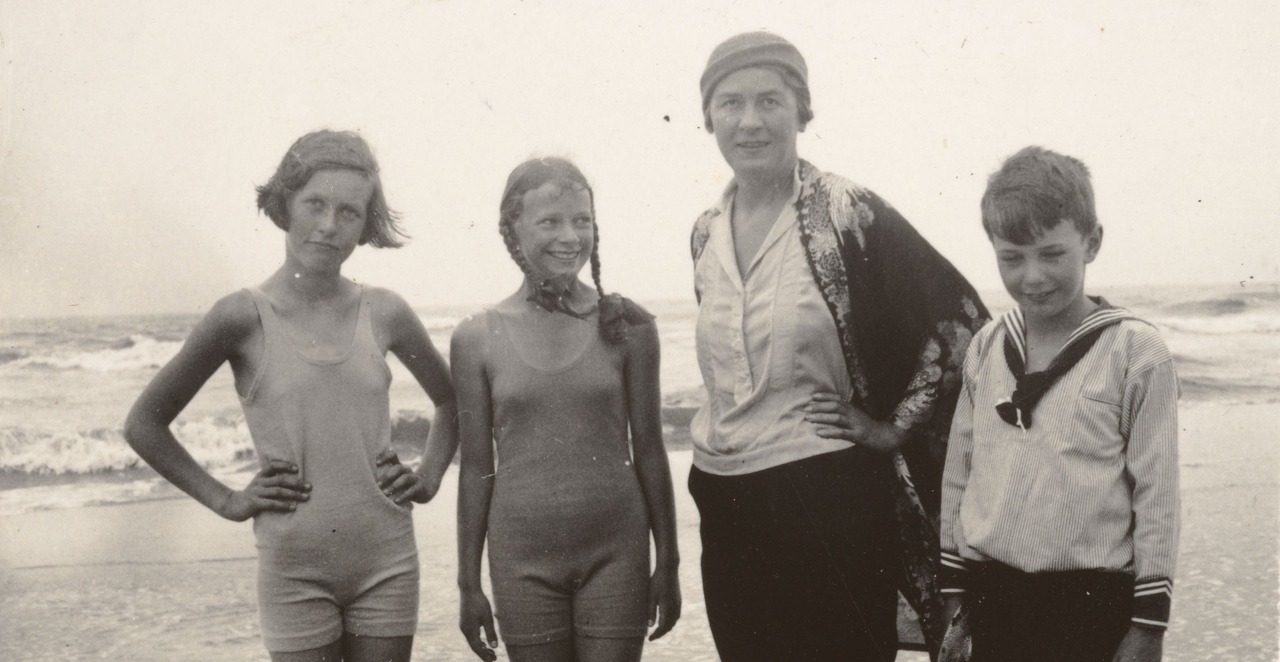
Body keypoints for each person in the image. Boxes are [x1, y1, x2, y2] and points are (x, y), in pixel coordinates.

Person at [687, 31, 990, 661]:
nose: (749, 121)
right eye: (730, 103)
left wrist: (892, 427)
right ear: (707, 115)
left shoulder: (847, 210)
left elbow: (960, 321)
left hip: (826, 491)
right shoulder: (704, 232)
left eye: (770, 101)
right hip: (725, 495)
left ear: (802, 111)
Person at [124, 130, 459, 662]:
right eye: (315, 204)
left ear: (365, 225)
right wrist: (227, 500)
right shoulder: (240, 315)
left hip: (387, 559)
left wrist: (431, 476)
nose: (329, 226)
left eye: (349, 212)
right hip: (292, 568)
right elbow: (144, 423)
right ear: (285, 204)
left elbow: (452, 400)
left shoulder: (386, 311)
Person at [938, 146, 1181, 662]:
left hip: (1092, 603)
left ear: (1092, 242)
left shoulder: (1136, 351)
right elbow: (959, 469)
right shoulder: (986, 345)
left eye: (1052, 253)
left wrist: (1148, 627)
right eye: (1012, 257)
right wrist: (954, 591)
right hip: (992, 594)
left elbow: (1157, 496)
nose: (1032, 276)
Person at [453, 158, 681, 662]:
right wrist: (468, 584)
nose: (570, 236)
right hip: (522, 561)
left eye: (583, 220)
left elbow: (649, 449)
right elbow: (475, 469)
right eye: (550, 221)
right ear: (512, 229)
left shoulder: (626, 326)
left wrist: (669, 561)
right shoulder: (476, 339)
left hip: (616, 554)